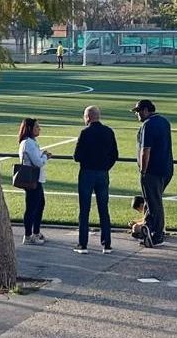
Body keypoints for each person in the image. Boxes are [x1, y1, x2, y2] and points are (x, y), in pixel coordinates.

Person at [72, 105, 118, 254]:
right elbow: (115, 155)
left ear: (88, 117)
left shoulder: (85, 133)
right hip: (103, 173)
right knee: (104, 209)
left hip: (87, 173)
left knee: (84, 209)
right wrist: (105, 166)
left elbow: (77, 156)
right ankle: (106, 244)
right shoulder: (108, 132)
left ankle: (83, 244)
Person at [133, 98, 172, 247]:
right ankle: (147, 230)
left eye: (138, 112)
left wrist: (143, 170)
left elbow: (145, 150)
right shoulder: (164, 121)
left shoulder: (148, 125)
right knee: (152, 201)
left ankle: (157, 235)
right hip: (166, 168)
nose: (137, 115)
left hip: (152, 171)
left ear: (145, 110)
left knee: (154, 203)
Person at [18, 117, 51, 245]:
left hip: (36, 179)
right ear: (30, 129)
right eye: (37, 126)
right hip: (32, 179)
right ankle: (28, 235)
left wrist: (42, 155)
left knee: (39, 204)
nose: (39, 129)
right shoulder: (28, 143)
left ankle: (35, 232)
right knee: (32, 207)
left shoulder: (31, 142)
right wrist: (45, 156)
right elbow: (37, 162)